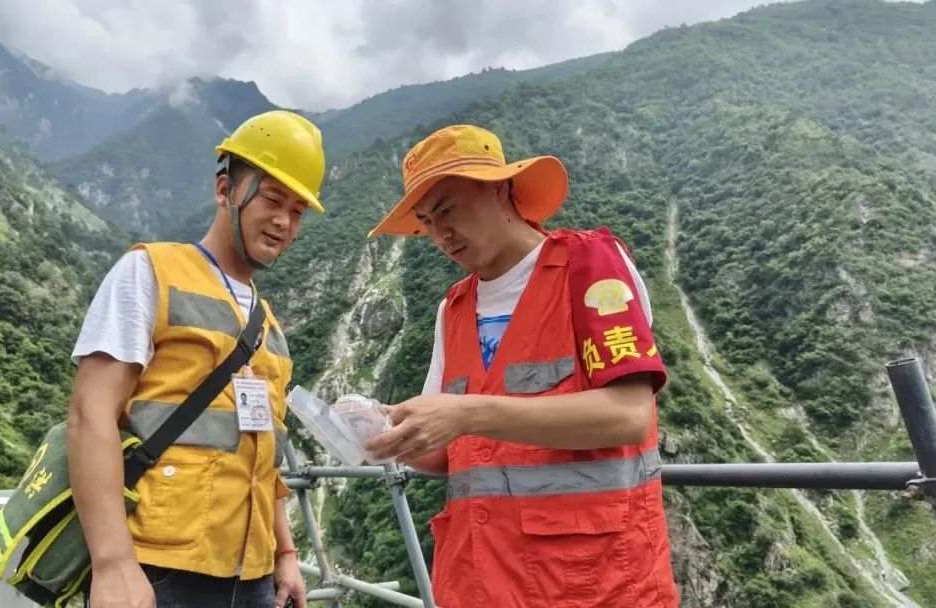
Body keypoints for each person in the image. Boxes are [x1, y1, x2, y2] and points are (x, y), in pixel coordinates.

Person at [364, 124, 679, 607]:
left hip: (596, 586)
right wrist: (384, 437)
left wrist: (467, 412)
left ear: (499, 188)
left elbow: (628, 415)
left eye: (447, 207)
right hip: (478, 584)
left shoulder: (590, 264)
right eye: (426, 220)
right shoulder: (453, 309)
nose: (440, 233)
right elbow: (447, 454)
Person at [66, 110, 325, 608]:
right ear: (226, 190)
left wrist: (285, 553)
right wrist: (113, 563)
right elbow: (88, 414)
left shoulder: (269, 326)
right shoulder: (150, 272)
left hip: (251, 574)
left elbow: (261, 458)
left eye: (297, 210)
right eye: (272, 199)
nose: (283, 221)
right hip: (159, 569)